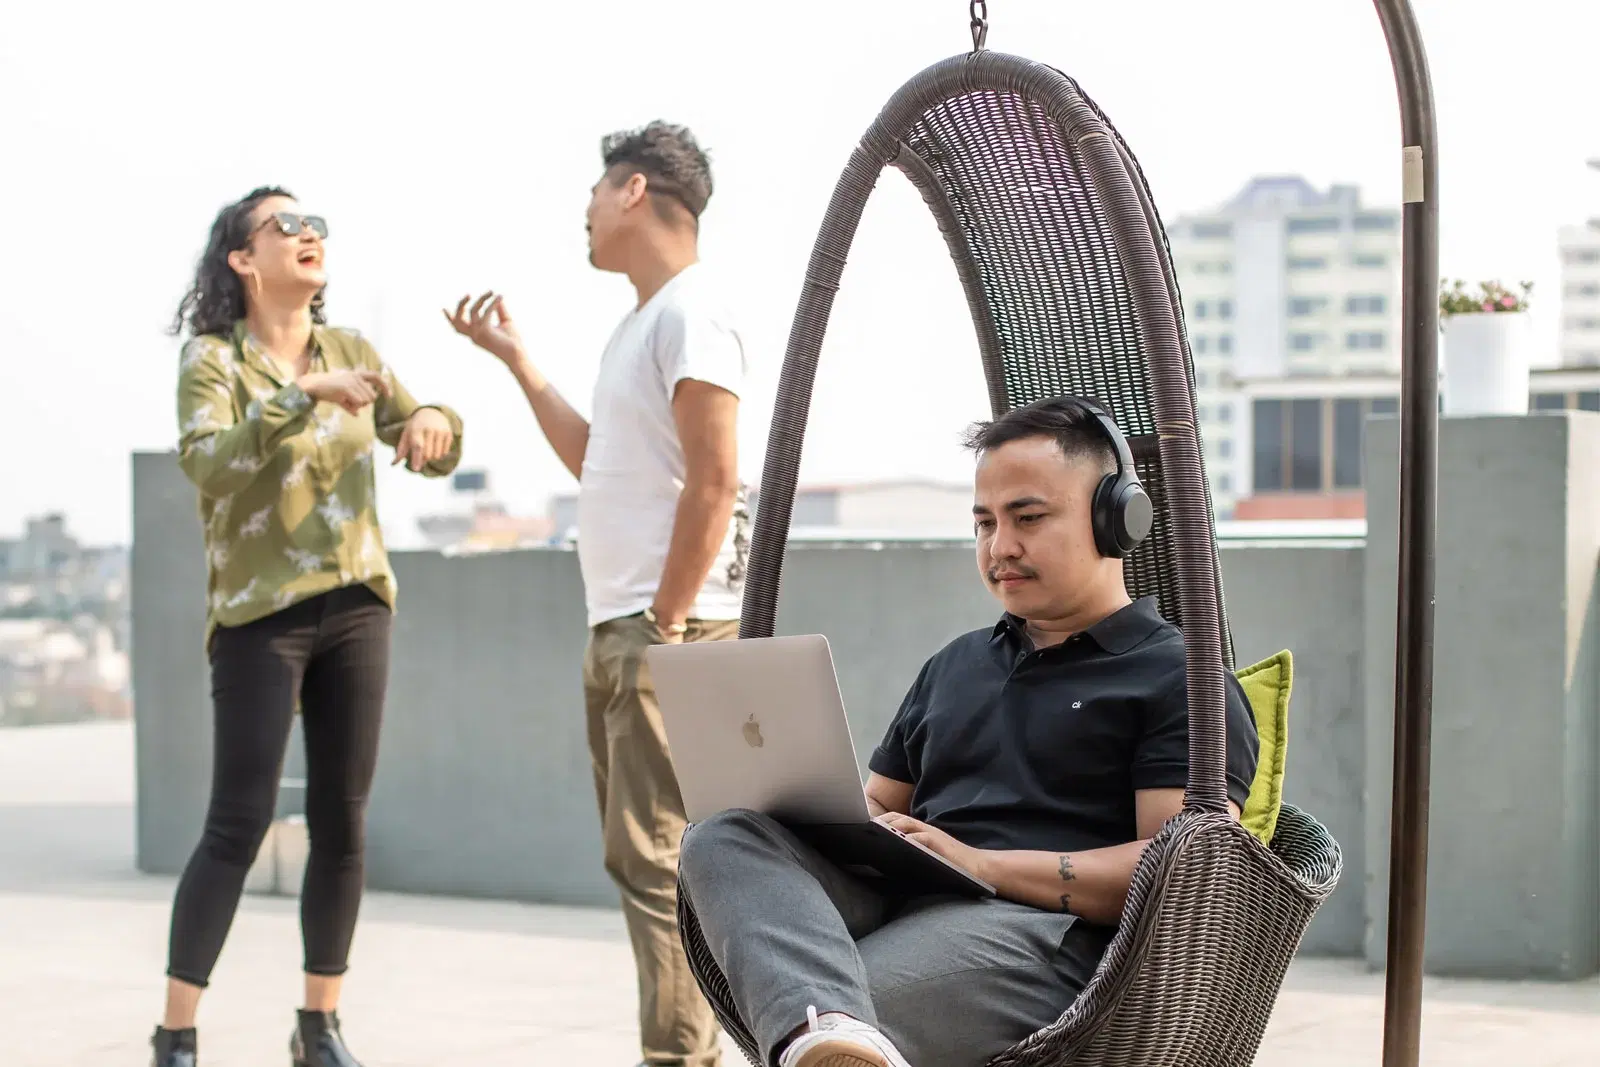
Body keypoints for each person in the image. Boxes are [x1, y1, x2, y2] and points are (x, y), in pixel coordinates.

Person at [676, 396, 1260, 1067]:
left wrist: (980, 864)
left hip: (1043, 936)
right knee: (722, 833)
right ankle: (829, 1029)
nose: (1000, 546)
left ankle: (830, 1027)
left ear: (1115, 518)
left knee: (850, 1007)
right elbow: (877, 804)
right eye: (984, 522)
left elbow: (1178, 876)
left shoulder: (1177, 678)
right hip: (906, 898)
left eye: (1028, 518)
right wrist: (847, 822)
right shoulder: (954, 664)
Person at [445, 120, 748, 1067]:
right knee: (650, 863)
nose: (582, 210)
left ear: (633, 191)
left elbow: (715, 477)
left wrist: (662, 620)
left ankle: (680, 1057)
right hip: (633, 626)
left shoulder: (692, 314)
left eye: (593, 189)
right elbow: (599, 462)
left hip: (666, 631)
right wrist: (520, 363)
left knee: (661, 865)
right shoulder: (643, 324)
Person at [152, 186, 464, 1067]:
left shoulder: (354, 349)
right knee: (237, 821)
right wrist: (300, 395)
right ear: (242, 259)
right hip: (259, 616)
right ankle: (176, 1032)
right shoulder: (212, 360)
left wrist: (437, 420)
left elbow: (426, 433)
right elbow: (208, 464)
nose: (308, 235)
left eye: (316, 223)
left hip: (357, 602)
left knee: (343, 821)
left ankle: (318, 1025)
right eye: (284, 225)